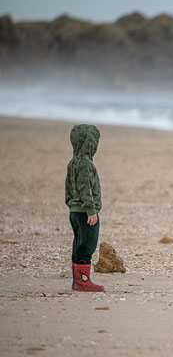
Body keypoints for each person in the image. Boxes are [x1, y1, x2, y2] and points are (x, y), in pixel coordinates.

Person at [65, 123, 104, 292]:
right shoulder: (85, 164)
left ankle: (78, 280)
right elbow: (84, 187)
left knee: (78, 244)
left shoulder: (73, 162)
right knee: (86, 245)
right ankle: (83, 281)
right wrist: (91, 209)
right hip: (85, 212)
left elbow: (68, 188)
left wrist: (71, 205)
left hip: (75, 211)